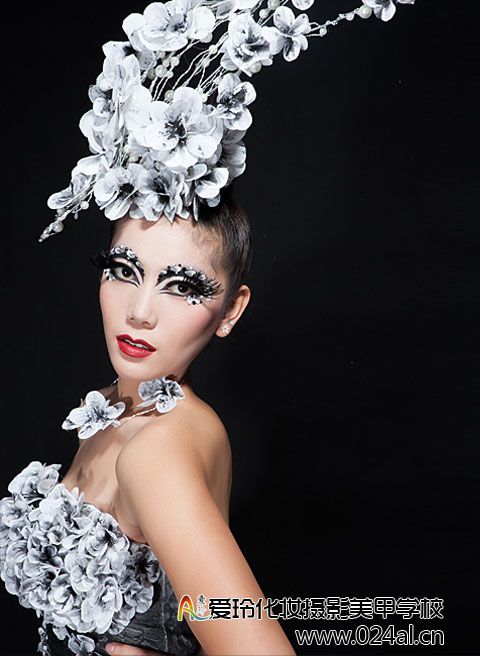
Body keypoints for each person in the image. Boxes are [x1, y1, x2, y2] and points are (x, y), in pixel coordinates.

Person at [0, 1, 416, 654]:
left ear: (231, 310)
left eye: (183, 286)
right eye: (124, 271)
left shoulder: (159, 451)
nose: (140, 310)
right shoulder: (115, 407)